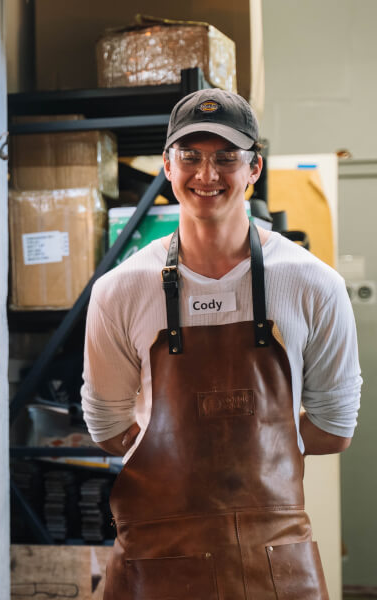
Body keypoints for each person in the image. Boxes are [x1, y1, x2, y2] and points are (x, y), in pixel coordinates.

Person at [81, 88, 361, 599]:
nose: (207, 175)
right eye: (190, 156)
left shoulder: (314, 284)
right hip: (158, 564)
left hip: (277, 571)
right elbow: (106, 426)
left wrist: (262, 456)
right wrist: (170, 464)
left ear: (254, 168)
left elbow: (335, 427)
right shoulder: (119, 290)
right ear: (167, 164)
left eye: (226, 158)